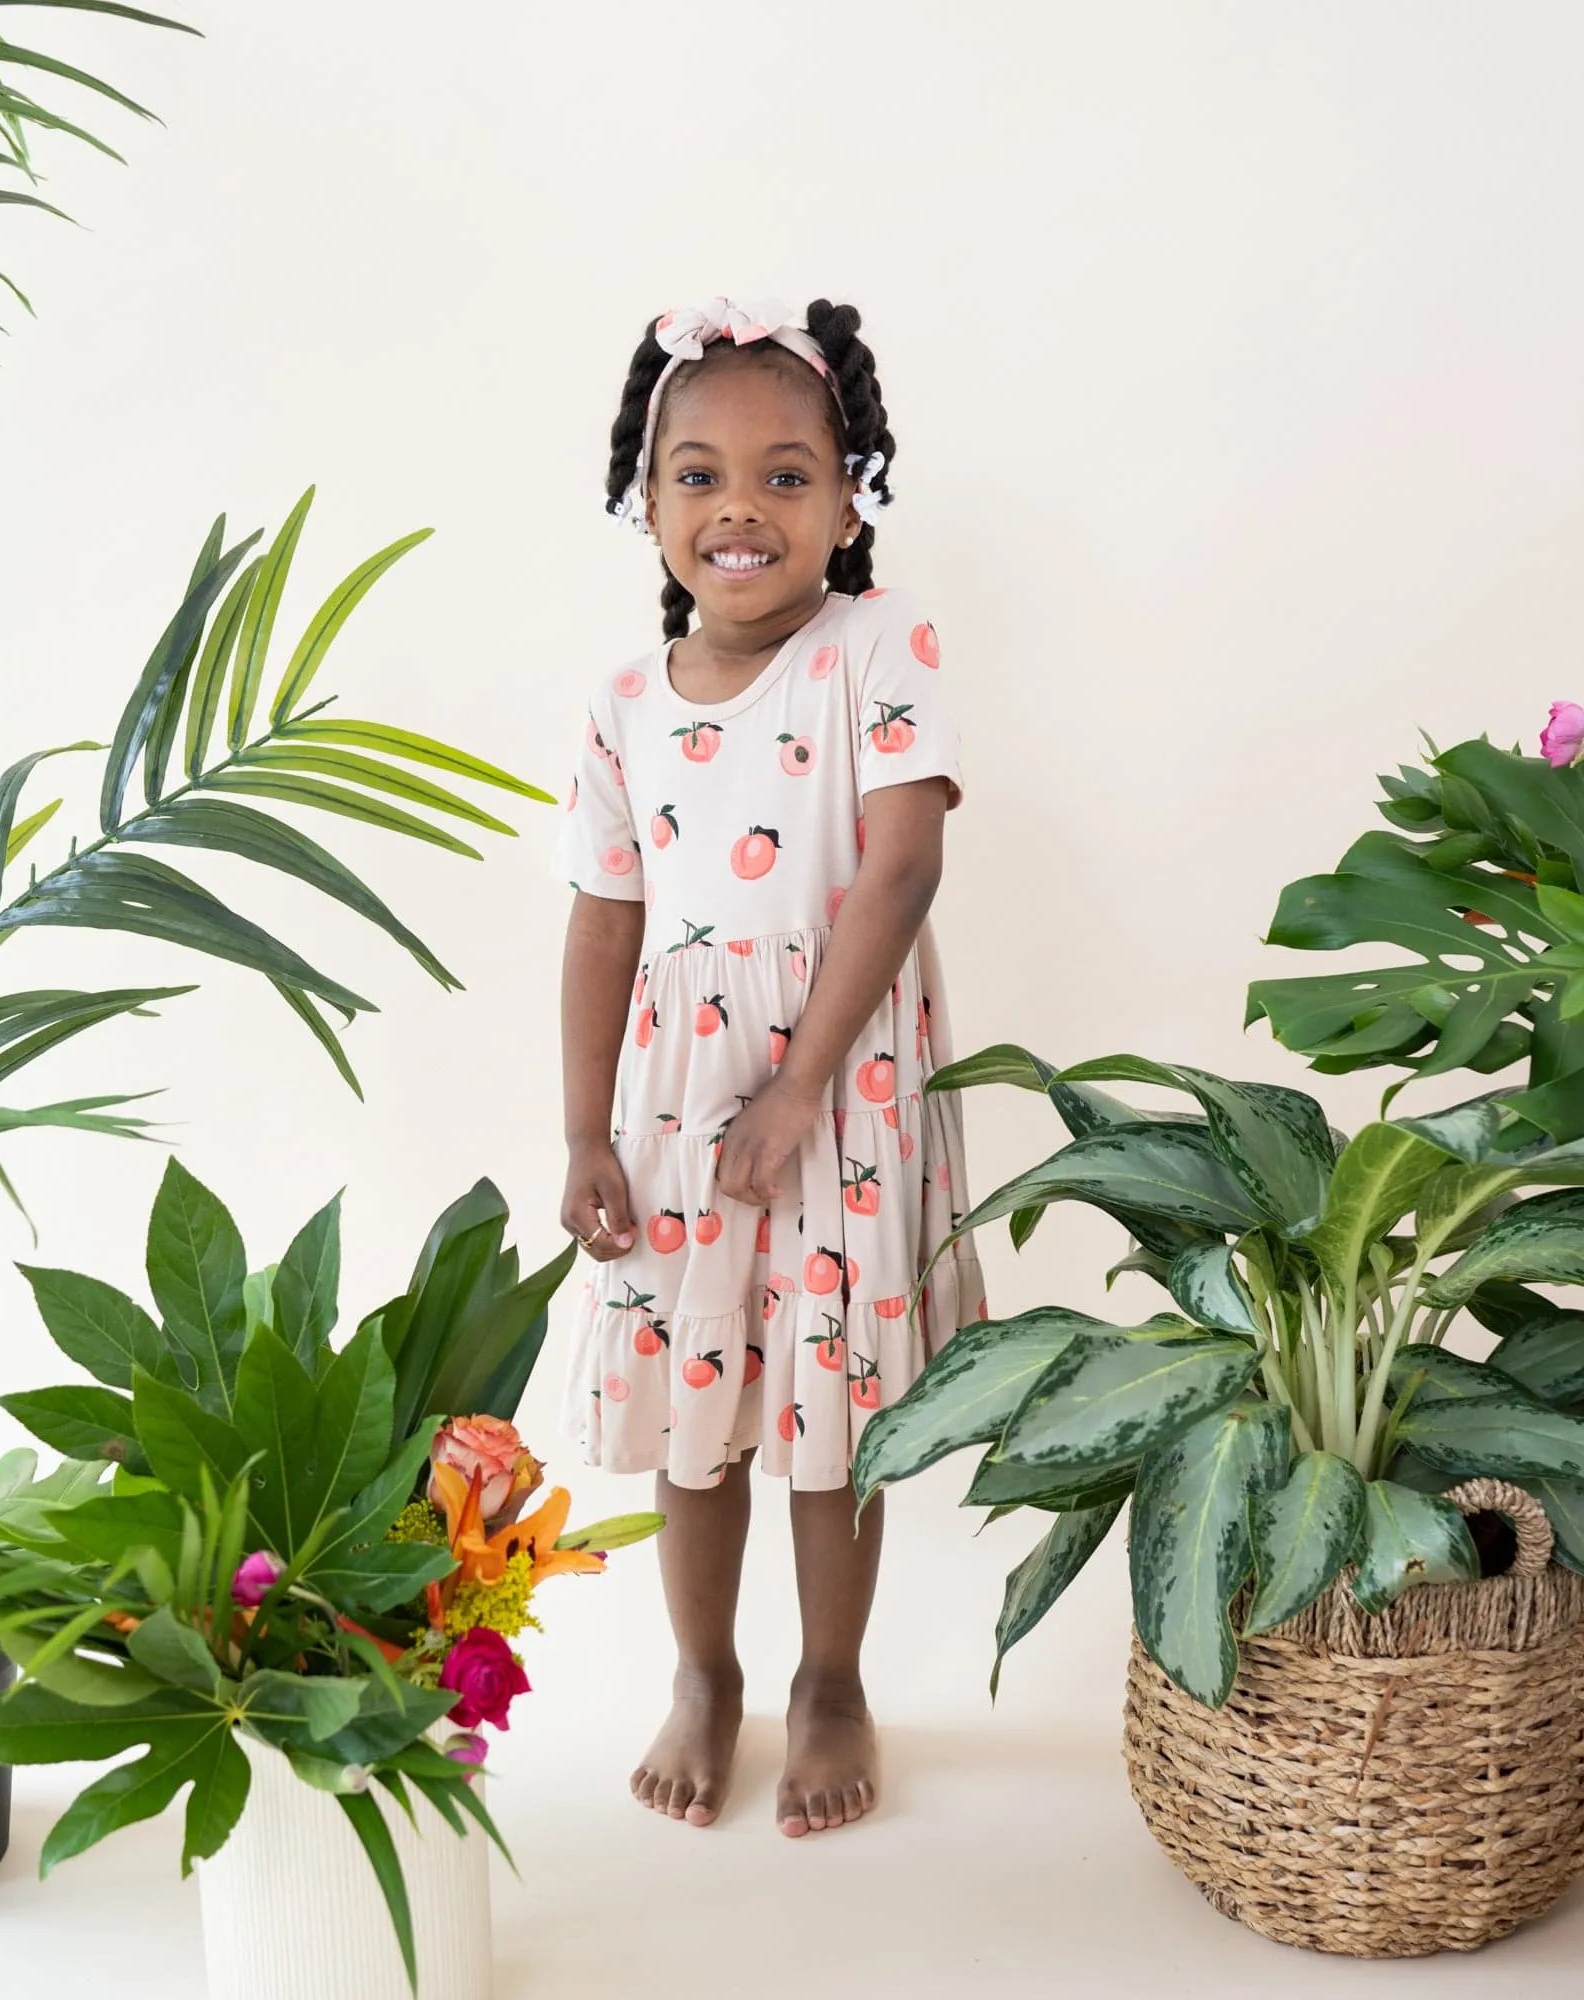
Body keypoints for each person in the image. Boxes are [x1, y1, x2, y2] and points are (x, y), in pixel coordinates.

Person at [552, 296, 985, 1839]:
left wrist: (801, 1081)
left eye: (789, 474)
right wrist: (585, 1130)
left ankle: (830, 1681)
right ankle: (705, 1675)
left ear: (850, 497)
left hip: (842, 1084)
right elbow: (607, 919)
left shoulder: (878, 646)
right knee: (699, 1405)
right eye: (700, 474)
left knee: (826, 1408)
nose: (742, 507)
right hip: (679, 1098)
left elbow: (902, 867)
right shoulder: (621, 704)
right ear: (647, 498)